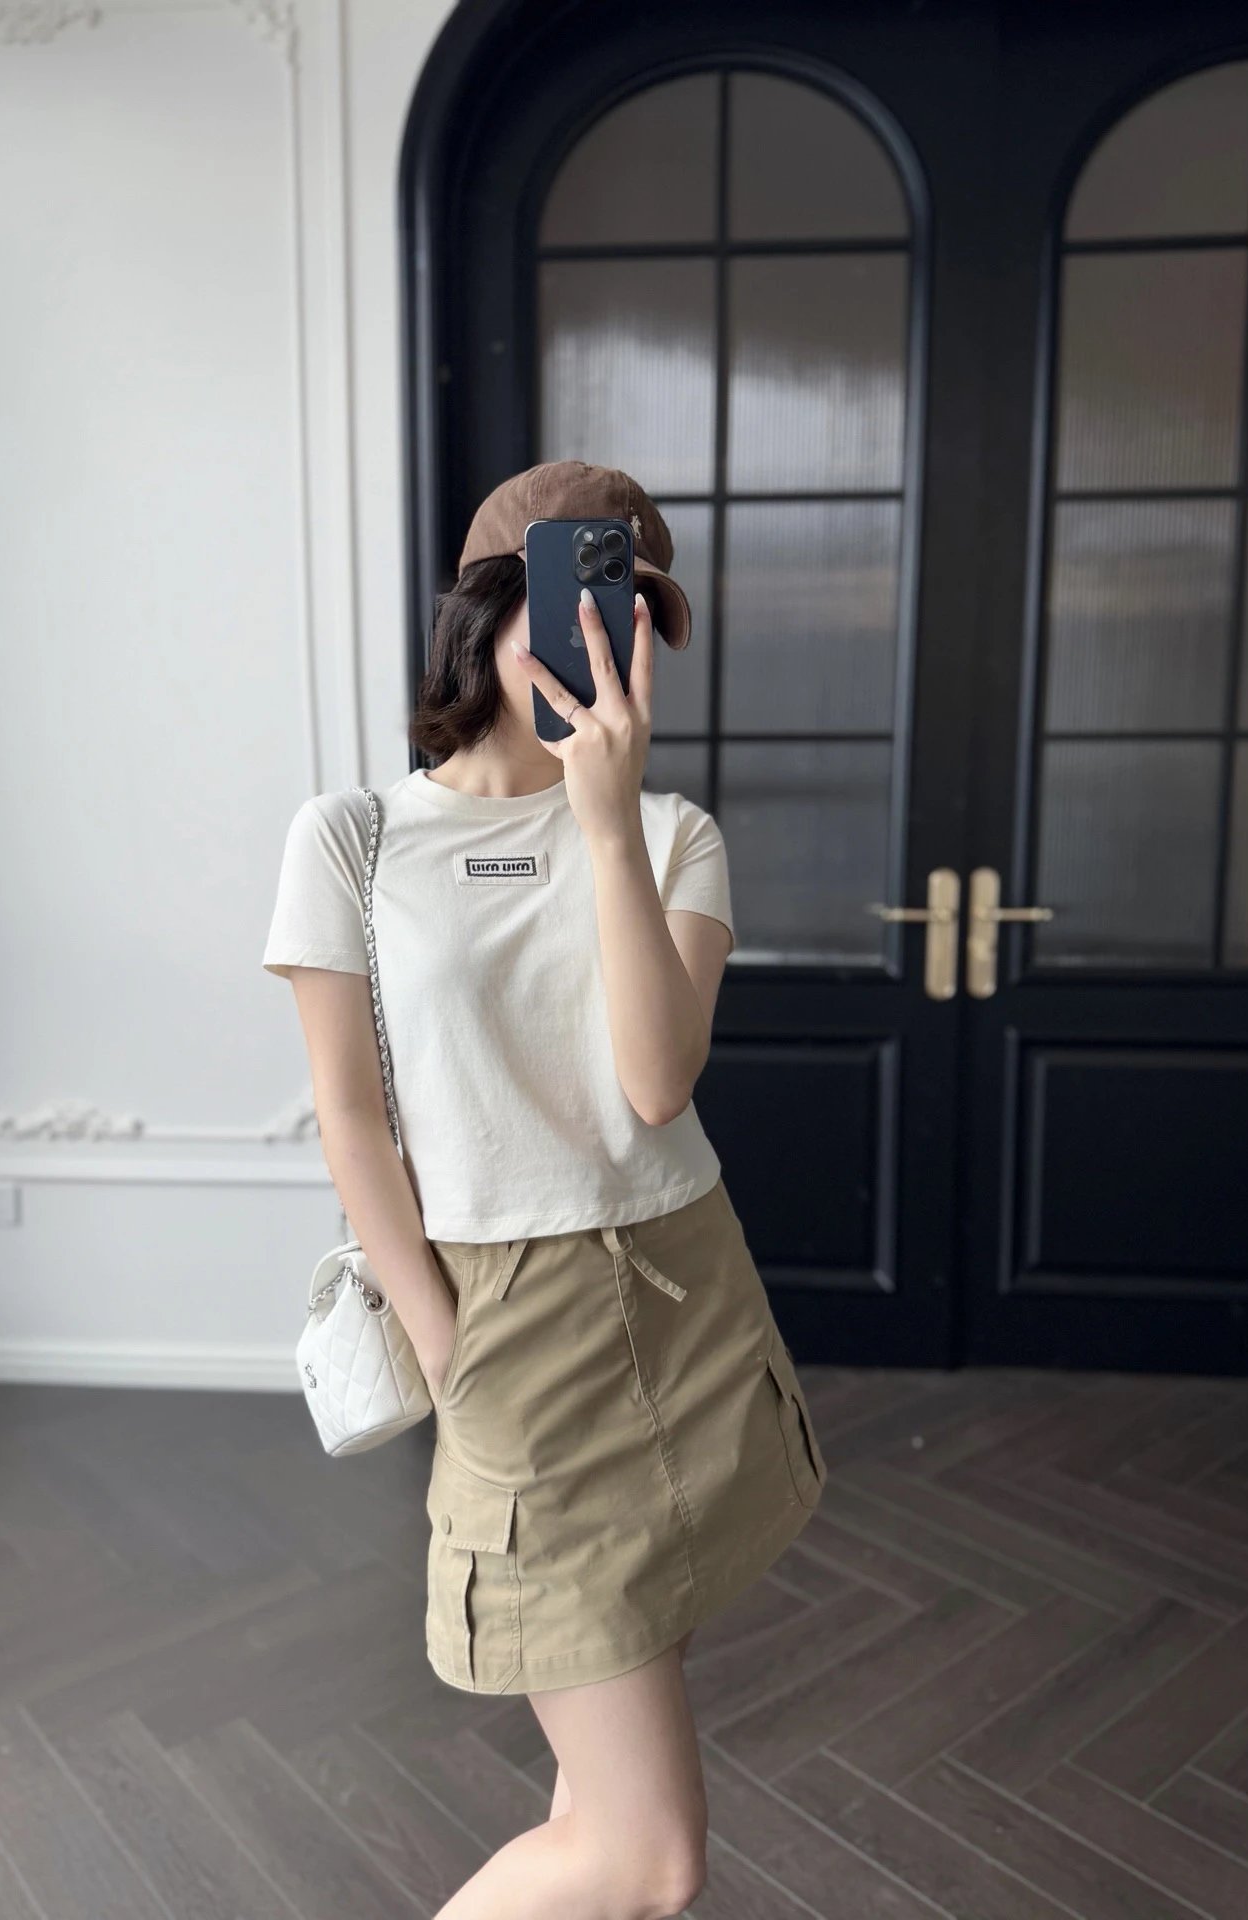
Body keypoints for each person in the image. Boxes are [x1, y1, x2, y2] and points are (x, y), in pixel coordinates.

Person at [262, 460, 828, 1920]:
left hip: (686, 1296)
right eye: (577, 606)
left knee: (601, 1795)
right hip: (504, 1325)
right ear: (490, 611)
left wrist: (604, 823)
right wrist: (452, 1352)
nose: (601, 646)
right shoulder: (351, 839)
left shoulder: (672, 834)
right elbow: (351, 1119)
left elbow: (655, 1084)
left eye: (629, 617)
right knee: (648, 1858)